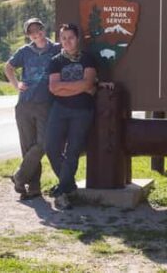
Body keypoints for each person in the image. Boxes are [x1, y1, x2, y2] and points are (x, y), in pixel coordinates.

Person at [4, 17, 60, 200]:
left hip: (46, 104)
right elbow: (8, 67)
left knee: (44, 143)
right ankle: (34, 187)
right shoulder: (24, 51)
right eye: (31, 32)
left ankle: (19, 176)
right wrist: (16, 84)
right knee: (28, 146)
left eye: (38, 29)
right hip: (25, 104)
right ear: (28, 35)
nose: (36, 34)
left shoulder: (56, 49)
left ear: (44, 29)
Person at [46, 23, 99, 210]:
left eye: (71, 38)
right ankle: (68, 186)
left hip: (82, 110)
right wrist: (80, 87)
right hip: (59, 109)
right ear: (60, 40)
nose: (67, 41)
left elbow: (88, 83)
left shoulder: (88, 59)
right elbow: (53, 88)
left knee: (73, 151)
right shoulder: (55, 61)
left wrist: (66, 87)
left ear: (77, 39)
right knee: (51, 147)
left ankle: (62, 191)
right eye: (63, 38)